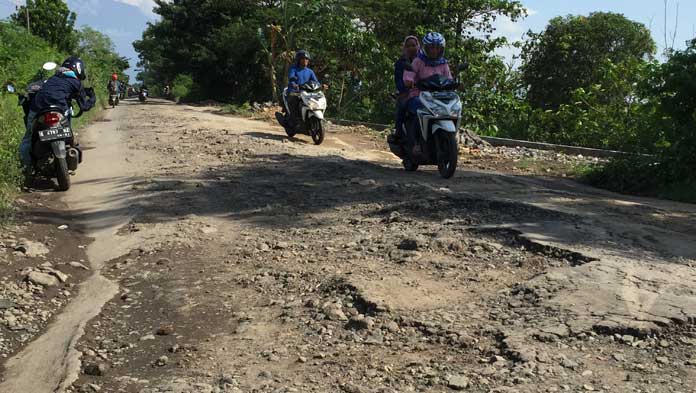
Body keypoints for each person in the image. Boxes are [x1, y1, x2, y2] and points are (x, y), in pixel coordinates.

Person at [20, 56, 96, 182]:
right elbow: (84, 106)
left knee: (27, 140)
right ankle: (70, 144)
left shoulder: (50, 80)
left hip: (38, 109)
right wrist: (92, 98)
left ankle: (25, 173)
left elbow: (31, 90)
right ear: (77, 68)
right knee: (68, 130)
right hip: (59, 110)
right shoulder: (76, 83)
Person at [403, 32, 452, 154]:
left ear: (441, 48)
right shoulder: (418, 61)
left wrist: (455, 84)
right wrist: (409, 81)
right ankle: (416, 142)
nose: (434, 50)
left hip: (439, 96)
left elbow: (449, 78)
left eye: (437, 47)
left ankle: (448, 138)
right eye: (431, 47)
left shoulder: (443, 63)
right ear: (425, 48)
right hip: (419, 94)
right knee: (418, 111)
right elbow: (409, 74)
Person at [390, 35, 420, 143]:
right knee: (402, 106)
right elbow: (398, 80)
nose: (411, 48)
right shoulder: (401, 63)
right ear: (405, 48)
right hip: (407, 91)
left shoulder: (424, 61)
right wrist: (404, 90)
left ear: (418, 46)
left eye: (413, 45)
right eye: (408, 46)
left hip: (424, 92)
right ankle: (398, 131)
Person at [285, 50, 319, 129]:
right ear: (299, 60)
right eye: (303, 59)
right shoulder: (294, 69)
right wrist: (293, 83)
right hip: (294, 91)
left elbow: (316, 82)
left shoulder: (310, 72)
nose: (305, 60)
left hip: (306, 93)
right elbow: (291, 77)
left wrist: (321, 86)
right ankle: (293, 120)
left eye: (307, 59)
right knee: (294, 100)